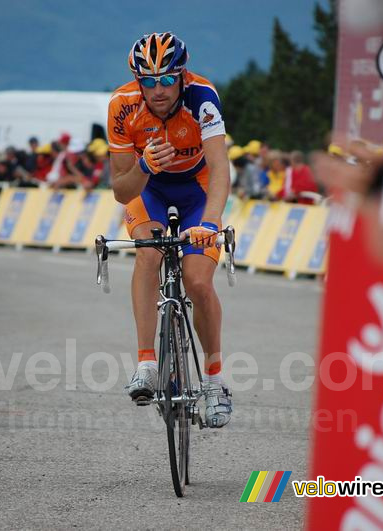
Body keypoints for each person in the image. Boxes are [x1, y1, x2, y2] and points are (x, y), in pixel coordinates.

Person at [107, 32, 232, 427]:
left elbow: (221, 170)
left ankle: (214, 382)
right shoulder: (122, 106)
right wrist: (144, 166)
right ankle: (146, 364)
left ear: (181, 75)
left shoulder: (202, 98)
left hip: (198, 191)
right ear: (137, 81)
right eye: (148, 81)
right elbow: (119, 190)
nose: (158, 90)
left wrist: (210, 223)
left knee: (197, 282)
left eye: (166, 80)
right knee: (148, 251)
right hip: (150, 190)